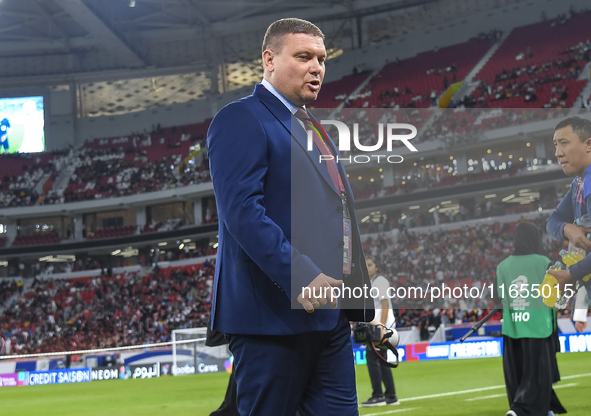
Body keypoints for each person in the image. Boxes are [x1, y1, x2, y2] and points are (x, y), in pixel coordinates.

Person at [206, 18, 374, 416]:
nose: (316, 67)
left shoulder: (316, 128)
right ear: (269, 59)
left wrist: (363, 310)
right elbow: (242, 212)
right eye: (303, 57)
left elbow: (341, 221)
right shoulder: (241, 118)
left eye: (321, 59)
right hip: (271, 320)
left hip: (330, 319)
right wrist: (300, 274)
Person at [496, 221, 566, 416]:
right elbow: (553, 297)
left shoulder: (502, 266)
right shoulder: (544, 263)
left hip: (513, 328)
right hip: (539, 328)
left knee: (516, 373)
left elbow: (498, 298)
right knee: (538, 373)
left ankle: (542, 409)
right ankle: (521, 410)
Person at [546, 117, 591, 297]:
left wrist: (572, 274)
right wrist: (567, 228)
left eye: (564, 143)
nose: (557, 153)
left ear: (589, 145)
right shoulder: (579, 182)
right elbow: (554, 220)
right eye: (556, 145)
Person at [361, 256, 398, 407]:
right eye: (366, 265)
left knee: (372, 359)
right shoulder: (369, 283)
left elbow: (385, 304)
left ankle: (378, 396)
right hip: (376, 327)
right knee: (381, 361)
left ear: (376, 267)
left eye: (370, 265)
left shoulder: (380, 281)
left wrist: (381, 327)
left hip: (380, 327)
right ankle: (391, 396)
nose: (367, 267)